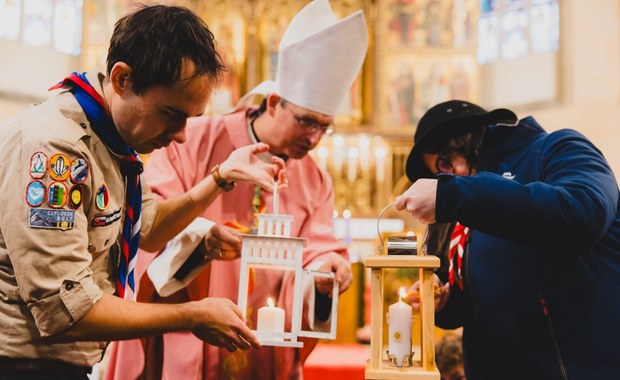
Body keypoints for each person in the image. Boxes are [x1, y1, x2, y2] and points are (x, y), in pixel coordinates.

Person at [0, 5, 288, 379]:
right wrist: (192, 314)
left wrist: (219, 179)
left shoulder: (115, 140)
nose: (182, 134)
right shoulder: (56, 150)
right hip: (20, 365)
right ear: (122, 79)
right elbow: (64, 309)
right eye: (172, 113)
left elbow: (147, 228)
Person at [105, 1, 369, 379]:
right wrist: (202, 240)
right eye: (307, 122)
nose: (314, 139)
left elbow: (320, 250)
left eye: (324, 128)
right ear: (275, 103)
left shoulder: (315, 179)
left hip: (267, 349)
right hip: (191, 340)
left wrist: (327, 271)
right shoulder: (189, 138)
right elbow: (148, 225)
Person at [397, 100, 620, 379]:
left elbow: (584, 213)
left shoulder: (557, 148)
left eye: (444, 163)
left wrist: (454, 194)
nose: (449, 176)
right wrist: (444, 301)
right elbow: (483, 300)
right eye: (439, 174)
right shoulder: (466, 204)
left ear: (467, 135)